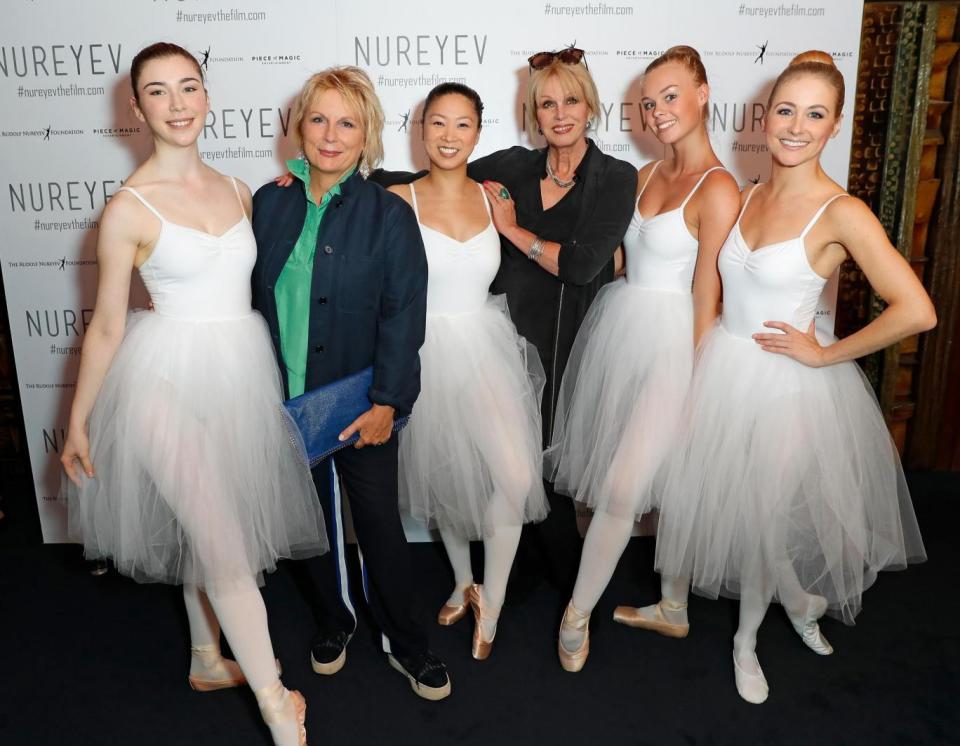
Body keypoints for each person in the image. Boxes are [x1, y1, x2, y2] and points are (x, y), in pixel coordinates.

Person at [60, 42, 325, 745]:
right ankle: (278, 706)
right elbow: (109, 326)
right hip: (161, 386)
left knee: (212, 528)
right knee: (225, 545)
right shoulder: (128, 208)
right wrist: (79, 420)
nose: (178, 104)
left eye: (189, 87)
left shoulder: (241, 190)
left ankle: (207, 657)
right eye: (158, 91)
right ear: (136, 107)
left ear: (207, 96)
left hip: (238, 377)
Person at [651, 51, 934, 704]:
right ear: (764, 115)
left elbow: (918, 309)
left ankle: (745, 643)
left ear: (835, 126)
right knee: (742, 507)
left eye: (815, 114)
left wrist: (824, 355)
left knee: (763, 517)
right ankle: (802, 601)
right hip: (726, 369)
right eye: (785, 110)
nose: (796, 126)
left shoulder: (841, 212)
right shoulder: (749, 192)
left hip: (785, 388)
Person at [250, 66, 450, 701]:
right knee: (314, 524)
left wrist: (389, 401)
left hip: (361, 401)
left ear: (368, 136)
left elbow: (403, 316)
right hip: (286, 401)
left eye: (347, 123)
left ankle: (405, 642)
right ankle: (335, 620)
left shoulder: (388, 215)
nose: (330, 136)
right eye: (318, 119)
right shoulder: (269, 200)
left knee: (379, 528)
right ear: (299, 127)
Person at [544, 46, 740, 671]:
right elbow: (622, 262)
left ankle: (575, 615)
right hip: (621, 328)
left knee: (625, 487)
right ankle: (674, 606)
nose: (657, 113)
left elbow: (708, 295)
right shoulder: (645, 175)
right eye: (648, 103)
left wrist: (697, 380)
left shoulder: (720, 187)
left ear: (704, 93)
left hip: (673, 343)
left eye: (671, 97)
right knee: (658, 477)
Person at [387, 83, 549, 660]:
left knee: (515, 476)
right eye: (438, 124)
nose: (449, 136)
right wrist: (298, 172)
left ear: (478, 133)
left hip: (484, 346)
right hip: (424, 350)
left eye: (462, 125)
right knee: (444, 477)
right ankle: (463, 581)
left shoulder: (494, 195)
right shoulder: (397, 200)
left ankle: (494, 600)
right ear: (420, 130)